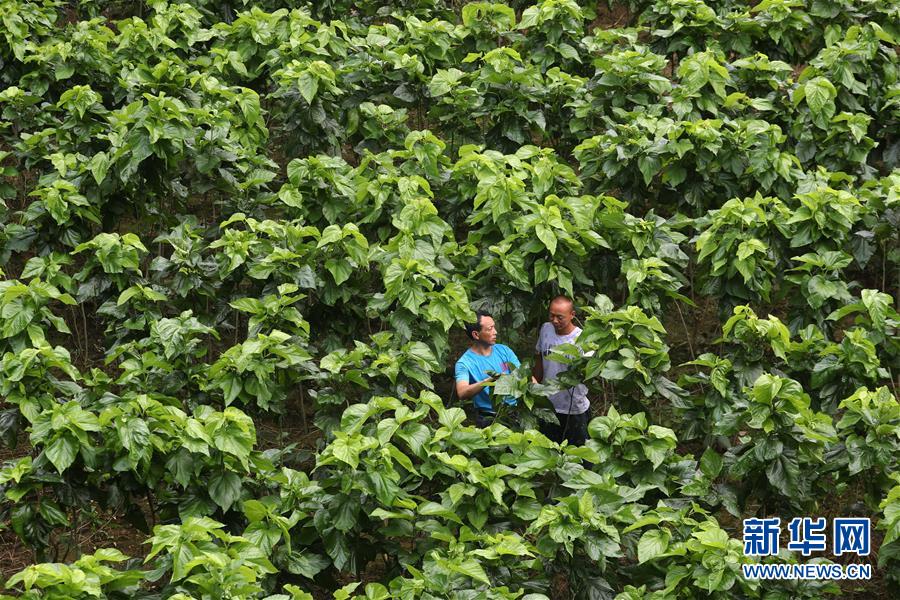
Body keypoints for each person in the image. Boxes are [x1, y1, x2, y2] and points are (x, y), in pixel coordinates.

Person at [533, 295, 591, 445]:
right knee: (548, 452)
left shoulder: (582, 339)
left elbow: (588, 374)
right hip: (548, 405)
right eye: (551, 315)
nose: (554, 320)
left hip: (574, 408)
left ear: (572, 315)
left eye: (560, 317)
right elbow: (539, 357)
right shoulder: (546, 329)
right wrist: (536, 388)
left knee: (579, 456)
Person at [454, 311, 521, 427]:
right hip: (488, 418)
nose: (495, 332)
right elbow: (462, 392)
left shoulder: (504, 351)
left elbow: (522, 375)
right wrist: (489, 381)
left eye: (494, 327)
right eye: (490, 329)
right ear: (476, 334)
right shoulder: (464, 363)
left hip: (514, 413)